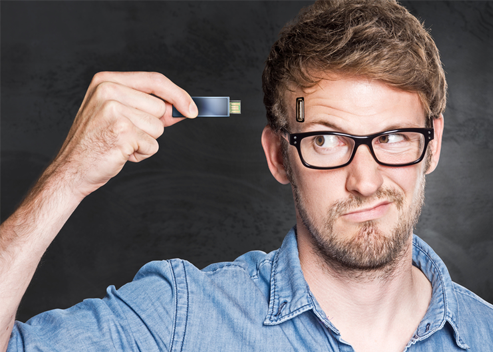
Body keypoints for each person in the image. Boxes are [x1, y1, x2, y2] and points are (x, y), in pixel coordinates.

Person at [1, 0, 492, 351]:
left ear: (433, 145)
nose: (364, 180)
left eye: (391, 138)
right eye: (324, 140)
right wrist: (68, 177)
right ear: (279, 155)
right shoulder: (182, 319)